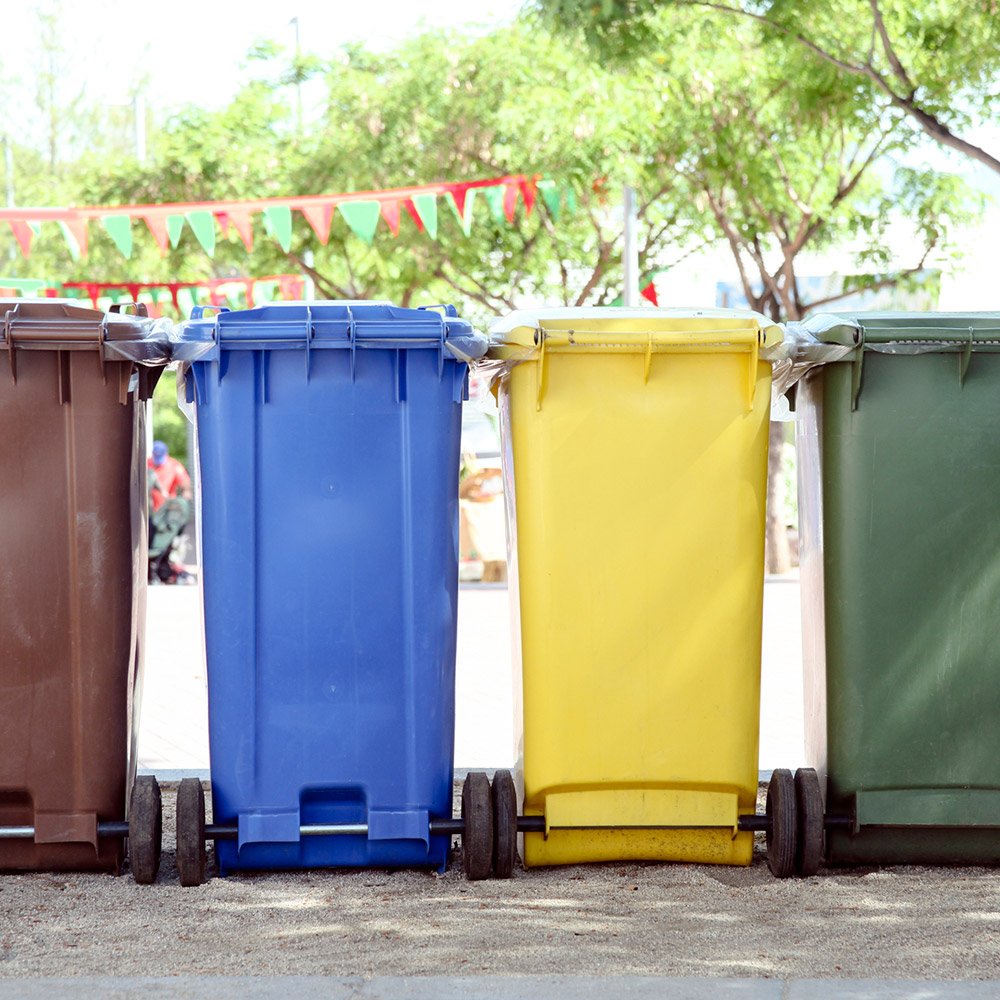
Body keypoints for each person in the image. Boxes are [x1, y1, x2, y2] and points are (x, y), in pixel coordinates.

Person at [148, 440, 192, 510]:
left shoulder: (174, 466)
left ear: (166, 454)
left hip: (167, 509)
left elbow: (186, 484)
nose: (158, 463)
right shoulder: (147, 464)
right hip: (149, 509)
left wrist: (184, 498)